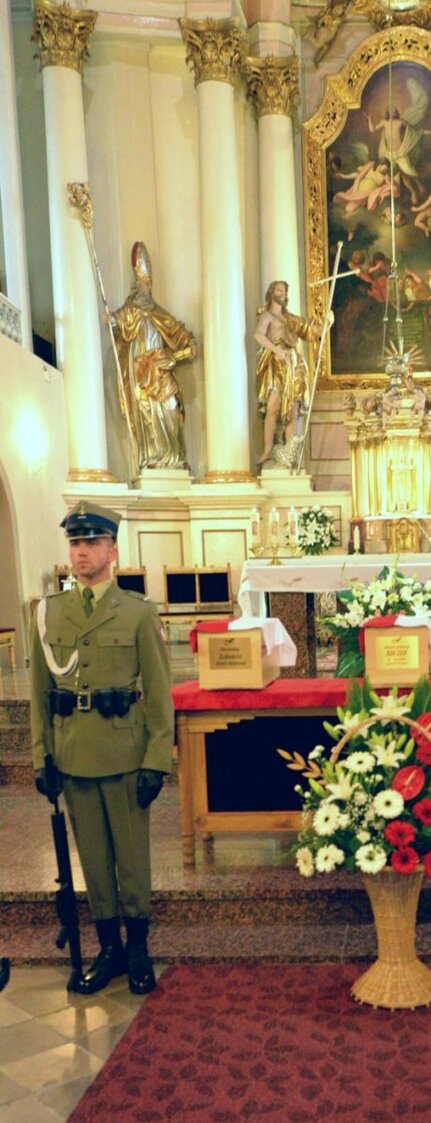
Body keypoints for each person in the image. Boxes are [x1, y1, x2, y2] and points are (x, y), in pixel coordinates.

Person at [29, 501, 174, 995]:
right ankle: (108, 948)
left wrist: (157, 759)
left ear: (112, 549)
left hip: (124, 753)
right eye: (75, 542)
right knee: (92, 857)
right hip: (73, 754)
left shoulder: (136, 612)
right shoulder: (50, 613)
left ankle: (137, 949)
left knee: (131, 858)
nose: (82, 551)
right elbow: (38, 693)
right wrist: (40, 756)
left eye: (91, 542)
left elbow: (158, 694)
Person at [109, 242, 197, 472]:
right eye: (141, 283)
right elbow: (117, 321)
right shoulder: (130, 310)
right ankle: (153, 455)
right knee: (147, 411)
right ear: (135, 286)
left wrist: (189, 342)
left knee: (170, 407)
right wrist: (110, 320)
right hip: (141, 370)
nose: (145, 287)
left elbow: (176, 329)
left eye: (147, 283)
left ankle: (174, 456)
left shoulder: (158, 312)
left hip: (160, 367)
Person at [254, 280, 330, 467]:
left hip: (294, 363)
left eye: (285, 291)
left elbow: (311, 331)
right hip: (278, 363)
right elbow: (259, 335)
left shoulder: (291, 319)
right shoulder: (268, 316)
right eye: (279, 290)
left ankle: (289, 453)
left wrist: (327, 322)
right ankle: (267, 450)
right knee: (273, 406)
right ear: (272, 293)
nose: (283, 294)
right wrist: (276, 351)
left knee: (293, 410)